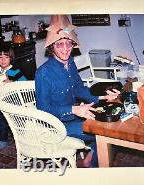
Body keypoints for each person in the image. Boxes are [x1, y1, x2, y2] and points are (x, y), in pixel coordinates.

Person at [35, 15, 120, 167]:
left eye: (68, 43)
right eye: (59, 45)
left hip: (74, 117)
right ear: (51, 48)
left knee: (110, 124)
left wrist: (101, 97)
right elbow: (43, 109)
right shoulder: (44, 73)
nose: (66, 49)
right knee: (106, 133)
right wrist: (74, 109)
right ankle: (94, 165)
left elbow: (79, 88)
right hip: (56, 125)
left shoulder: (70, 63)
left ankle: (90, 158)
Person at [0, 42, 27, 152]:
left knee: (18, 122)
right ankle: (2, 142)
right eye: (0, 57)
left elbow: (25, 83)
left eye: (6, 57)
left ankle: (24, 140)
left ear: (11, 58)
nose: (2, 60)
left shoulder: (16, 71)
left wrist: (13, 82)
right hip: (1, 101)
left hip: (14, 102)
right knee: (1, 122)